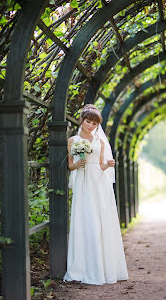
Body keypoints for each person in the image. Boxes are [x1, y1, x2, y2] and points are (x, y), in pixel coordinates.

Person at [63, 104, 128, 285]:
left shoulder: (99, 141)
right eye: (88, 121)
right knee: (85, 220)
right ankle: (83, 266)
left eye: (93, 122)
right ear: (82, 121)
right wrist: (78, 164)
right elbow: (70, 165)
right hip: (84, 182)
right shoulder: (73, 140)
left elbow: (100, 165)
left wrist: (109, 164)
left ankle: (104, 266)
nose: (90, 125)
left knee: (100, 221)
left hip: (99, 183)